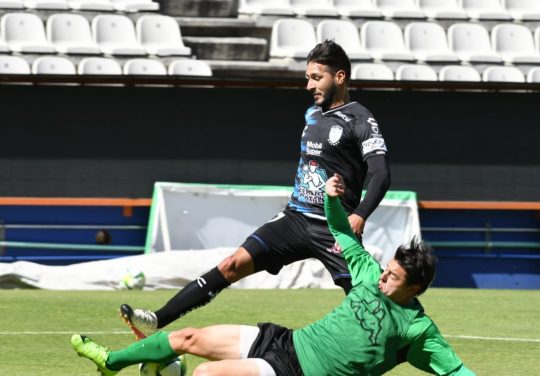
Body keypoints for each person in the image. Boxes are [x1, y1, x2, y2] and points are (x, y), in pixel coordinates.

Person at [119, 40, 392, 339]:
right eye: (307, 78)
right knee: (231, 264)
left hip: (336, 228)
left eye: (317, 78)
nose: (309, 85)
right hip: (295, 219)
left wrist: (359, 216)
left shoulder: (361, 119)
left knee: (372, 307)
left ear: (339, 77)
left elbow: (381, 174)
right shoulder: (311, 114)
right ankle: (157, 319)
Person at [71, 175, 475, 376]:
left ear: (415, 288)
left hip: (293, 372)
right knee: (188, 338)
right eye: (387, 269)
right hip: (285, 340)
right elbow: (338, 230)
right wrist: (333, 200)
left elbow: (455, 371)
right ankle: (111, 362)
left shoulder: (418, 330)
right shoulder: (369, 273)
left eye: (393, 277)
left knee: (205, 375)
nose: (384, 277)